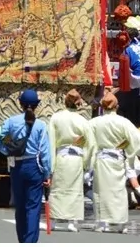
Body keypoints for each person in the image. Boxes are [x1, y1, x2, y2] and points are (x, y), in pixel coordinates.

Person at [0, 89, 53, 242]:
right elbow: (45, 152)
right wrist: (47, 174)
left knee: (20, 205)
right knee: (33, 206)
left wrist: (7, 151)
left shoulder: (12, 121)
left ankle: (22, 239)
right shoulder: (40, 125)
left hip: (16, 165)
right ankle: (29, 241)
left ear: (20, 104)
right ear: (36, 106)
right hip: (34, 166)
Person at [87, 91, 140, 234]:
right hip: (117, 159)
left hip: (101, 160)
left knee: (100, 192)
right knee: (119, 192)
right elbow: (137, 139)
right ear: (117, 106)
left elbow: (86, 141)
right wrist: (129, 149)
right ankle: (121, 224)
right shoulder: (123, 122)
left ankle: (102, 223)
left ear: (102, 106)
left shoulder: (94, 122)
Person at [46, 89, 92, 232]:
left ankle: (53, 219)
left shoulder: (56, 118)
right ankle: (72, 221)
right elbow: (91, 144)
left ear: (65, 102)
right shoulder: (83, 120)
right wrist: (86, 163)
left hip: (61, 157)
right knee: (75, 190)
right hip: (77, 158)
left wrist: (50, 166)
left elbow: (51, 142)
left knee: (58, 189)